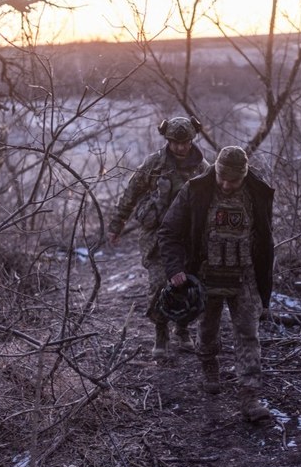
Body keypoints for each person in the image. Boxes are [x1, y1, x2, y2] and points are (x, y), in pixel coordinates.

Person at [158, 146, 274, 422]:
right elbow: (168, 231)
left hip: (244, 275)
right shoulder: (196, 190)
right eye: (222, 177)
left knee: (248, 333)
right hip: (205, 275)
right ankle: (209, 367)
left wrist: (264, 283)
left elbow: (265, 238)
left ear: (244, 176)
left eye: (233, 180)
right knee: (207, 331)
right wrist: (175, 270)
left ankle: (250, 395)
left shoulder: (258, 192)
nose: (226, 184)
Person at [107, 116, 209, 359]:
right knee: (158, 284)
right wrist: (117, 224)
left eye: (185, 142)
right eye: (175, 142)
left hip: (188, 238)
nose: (181, 147)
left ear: (192, 140)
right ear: (168, 140)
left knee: (187, 283)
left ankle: (182, 329)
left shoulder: (202, 168)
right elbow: (131, 193)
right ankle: (160, 332)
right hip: (156, 236)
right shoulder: (154, 164)